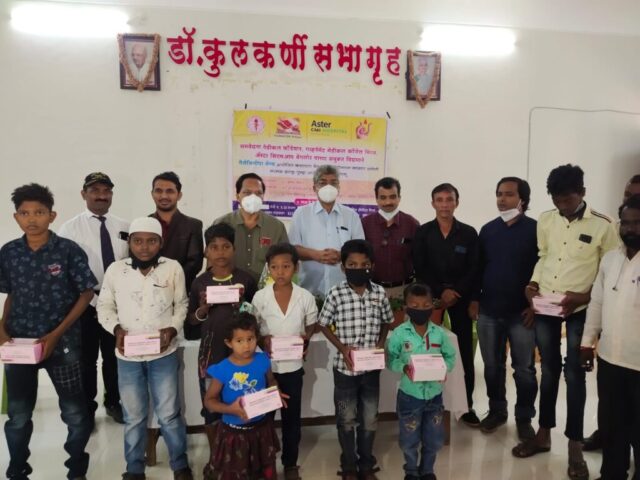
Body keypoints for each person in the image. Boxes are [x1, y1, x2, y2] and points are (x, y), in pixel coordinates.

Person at [512, 164, 619, 480]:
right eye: (556, 200)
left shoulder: (603, 226)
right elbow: (544, 256)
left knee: (575, 375)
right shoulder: (547, 219)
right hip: (546, 304)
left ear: (582, 193)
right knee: (548, 370)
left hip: (580, 309)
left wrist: (583, 297)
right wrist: (532, 284)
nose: (562, 206)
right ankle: (543, 434)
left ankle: (574, 446)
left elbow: (608, 273)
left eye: (567, 200)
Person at [0, 183, 97, 480]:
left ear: (52, 216)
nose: (32, 219)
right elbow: (11, 293)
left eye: (39, 212)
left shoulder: (67, 250)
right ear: (16, 217)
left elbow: (86, 293)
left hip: (63, 344)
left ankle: (76, 468)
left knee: (75, 413)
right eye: (25, 213)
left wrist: (56, 334)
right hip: (19, 345)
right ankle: (17, 468)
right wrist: (2, 328)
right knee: (18, 415)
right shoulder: (9, 252)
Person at [97, 217, 193, 480]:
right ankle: (134, 469)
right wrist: (116, 329)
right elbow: (104, 306)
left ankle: (180, 465)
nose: (144, 247)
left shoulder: (172, 268)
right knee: (134, 416)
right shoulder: (116, 270)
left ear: (160, 243)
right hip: (127, 356)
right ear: (129, 242)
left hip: (163, 354)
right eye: (138, 241)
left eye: (151, 241)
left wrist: (172, 328)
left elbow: (182, 304)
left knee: (169, 414)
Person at [468, 177, 538, 439]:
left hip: (522, 313)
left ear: (523, 199)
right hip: (489, 310)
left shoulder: (536, 230)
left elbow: (544, 270)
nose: (502, 199)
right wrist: (474, 299)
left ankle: (524, 417)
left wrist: (535, 306)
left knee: (525, 369)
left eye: (508, 194)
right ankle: (497, 410)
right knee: (492, 366)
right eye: (499, 193)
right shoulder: (488, 230)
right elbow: (478, 268)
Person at [57, 172, 129, 426]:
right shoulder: (69, 228)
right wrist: (88, 299)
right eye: (95, 190)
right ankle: (87, 408)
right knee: (86, 360)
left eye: (106, 191)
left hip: (118, 303)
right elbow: (66, 269)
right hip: (84, 303)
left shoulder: (124, 226)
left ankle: (114, 402)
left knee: (115, 357)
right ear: (83, 194)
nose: (101, 196)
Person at [318, 239, 393, 480]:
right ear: (343, 267)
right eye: (352, 264)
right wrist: (342, 348)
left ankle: (366, 463)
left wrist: (380, 344)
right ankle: (349, 464)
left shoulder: (379, 293)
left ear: (372, 266)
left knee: (369, 418)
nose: (359, 268)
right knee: (346, 418)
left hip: (371, 370)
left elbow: (387, 321)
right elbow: (323, 324)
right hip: (345, 371)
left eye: (364, 264)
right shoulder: (336, 293)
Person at [187, 222, 257, 480]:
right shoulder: (200, 283)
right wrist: (203, 309)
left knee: (243, 405)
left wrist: (243, 305)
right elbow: (191, 323)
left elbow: (256, 316)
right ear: (206, 251)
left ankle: (243, 458)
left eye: (226, 246)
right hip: (211, 357)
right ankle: (216, 459)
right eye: (214, 247)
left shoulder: (246, 279)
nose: (220, 252)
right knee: (212, 409)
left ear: (234, 249)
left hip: (243, 357)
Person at [580, 194, 640, 480]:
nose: (630, 228)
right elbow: (597, 303)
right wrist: (586, 342)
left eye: (637, 222)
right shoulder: (610, 259)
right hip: (610, 360)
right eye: (625, 222)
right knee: (612, 425)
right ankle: (612, 474)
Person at [412, 183, 480, 427]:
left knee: (463, 352)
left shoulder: (469, 233)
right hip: (431, 300)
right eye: (439, 200)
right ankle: (428, 401)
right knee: (429, 350)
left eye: (449, 199)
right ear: (432, 203)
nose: (444, 204)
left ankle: (466, 406)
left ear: (456, 202)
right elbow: (420, 267)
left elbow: (475, 268)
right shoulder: (423, 232)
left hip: (461, 299)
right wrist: (440, 292)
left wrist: (458, 293)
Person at [252, 243, 318, 480]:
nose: (280, 272)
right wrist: (263, 339)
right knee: (265, 417)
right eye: (275, 267)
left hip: (292, 368)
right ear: (268, 269)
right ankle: (265, 462)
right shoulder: (260, 297)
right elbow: (253, 329)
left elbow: (311, 324)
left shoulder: (305, 297)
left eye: (286, 266)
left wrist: (305, 338)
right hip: (266, 368)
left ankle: (290, 463)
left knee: (291, 419)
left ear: (296, 268)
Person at [386, 283, 456, 480]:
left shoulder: (439, 333)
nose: (420, 309)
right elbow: (391, 359)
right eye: (414, 305)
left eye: (426, 305)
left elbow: (450, 356)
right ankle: (411, 471)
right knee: (409, 439)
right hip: (410, 396)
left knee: (434, 439)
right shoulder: (399, 333)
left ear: (432, 306)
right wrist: (403, 367)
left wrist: (445, 368)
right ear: (406, 307)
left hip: (434, 395)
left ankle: (427, 470)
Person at [204, 312, 285, 480]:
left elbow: (271, 380)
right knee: (237, 473)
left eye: (250, 339)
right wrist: (231, 409)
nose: (247, 345)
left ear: (257, 337)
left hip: (261, 429)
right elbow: (209, 401)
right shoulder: (223, 369)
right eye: (239, 341)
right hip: (233, 433)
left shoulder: (263, 360)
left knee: (264, 471)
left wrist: (275, 391)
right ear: (229, 343)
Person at [289, 165, 365, 297]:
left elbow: (361, 249)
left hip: (345, 292)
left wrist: (342, 255)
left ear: (338, 188)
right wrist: (315, 255)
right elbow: (292, 249)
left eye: (333, 183)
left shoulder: (351, 215)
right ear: (314, 188)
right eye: (323, 183)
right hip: (309, 291)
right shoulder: (301, 214)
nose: (328, 187)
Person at [150, 171, 204, 337]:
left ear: (179, 195)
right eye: (159, 191)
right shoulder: (144, 224)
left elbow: (195, 262)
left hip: (183, 292)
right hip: (151, 295)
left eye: (170, 191)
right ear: (152, 194)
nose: (164, 196)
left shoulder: (193, 225)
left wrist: (172, 283)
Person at [214, 173, 288, 282]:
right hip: (229, 287)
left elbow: (285, 261)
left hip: (264, 289)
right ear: (237, 196)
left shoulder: (276, 227)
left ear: (263, 197)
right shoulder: (221, 223)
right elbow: (212, 261)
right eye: (247, 193)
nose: (253, 197)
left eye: (258, 193)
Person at [361, 177, 419, 299]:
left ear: (399, 198)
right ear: (376, 199)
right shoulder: (364, 224)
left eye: (392, 197)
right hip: (372, 289)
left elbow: (420, 257)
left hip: (404, 290)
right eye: (383, 197)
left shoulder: (412, 223)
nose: (388, 202)